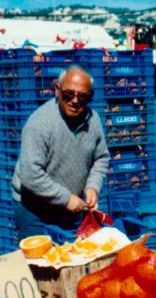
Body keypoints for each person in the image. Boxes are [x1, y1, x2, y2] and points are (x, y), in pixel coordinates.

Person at [12, 65, 109, 240]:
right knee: (39, 263)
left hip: (70, 206)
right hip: (34, 209)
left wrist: (93, 186)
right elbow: (31, 175)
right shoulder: (40, 123)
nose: (75, 101)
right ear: (57, 90)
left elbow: (101, 158)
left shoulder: (93, 120)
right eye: (69, 94)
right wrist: (65, 198)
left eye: (83, 96)